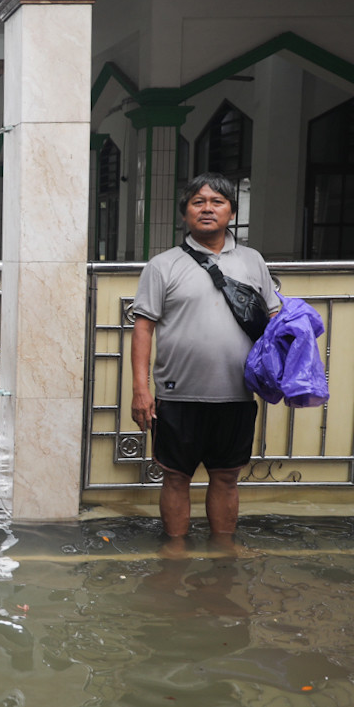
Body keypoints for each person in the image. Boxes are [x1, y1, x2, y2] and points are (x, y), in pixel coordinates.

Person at [130, 172, 280, 549]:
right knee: (175, 477)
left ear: (232, 212)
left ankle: (223, 553)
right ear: (185, 213)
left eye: (217, 202)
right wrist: (140, 390)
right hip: (177, 394)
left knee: (227, 477)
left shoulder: (252, 261)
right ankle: (174, 554)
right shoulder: (162, 265)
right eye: (199, 202)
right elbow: (143, 328)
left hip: (237, 394)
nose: (208, 209)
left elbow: (275, 318)